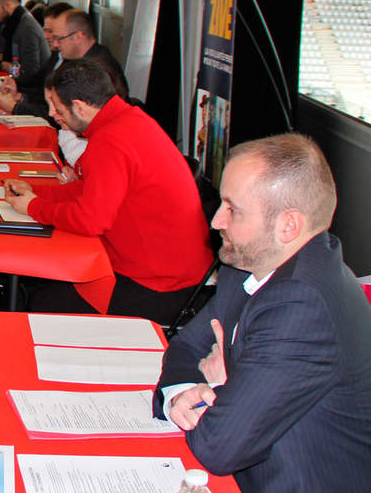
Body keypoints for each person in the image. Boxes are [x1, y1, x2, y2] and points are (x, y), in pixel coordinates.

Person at [155, 134, 371, 492]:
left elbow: (219, 446)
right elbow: (186, 347)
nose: (216, 221)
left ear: (288, 225)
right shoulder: (246, 265)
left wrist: (222, 384)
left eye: (233, 209)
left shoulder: (303, 305)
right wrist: (182, 394)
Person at [4, 60, 213, 322]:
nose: (53, 114)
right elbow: (90, 189)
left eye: (58, 108)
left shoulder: (109, 141)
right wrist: (37, 192)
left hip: (158, 285)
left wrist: (34, 207)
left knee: (43, 303)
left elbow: (90, 221)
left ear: (79, 106)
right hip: (178, 271)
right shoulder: (130, 119)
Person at [49, 8, 129, 100]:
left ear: (78, 37)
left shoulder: (98, 71)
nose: (55, 44)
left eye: (59, 39)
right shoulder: (77, 59)